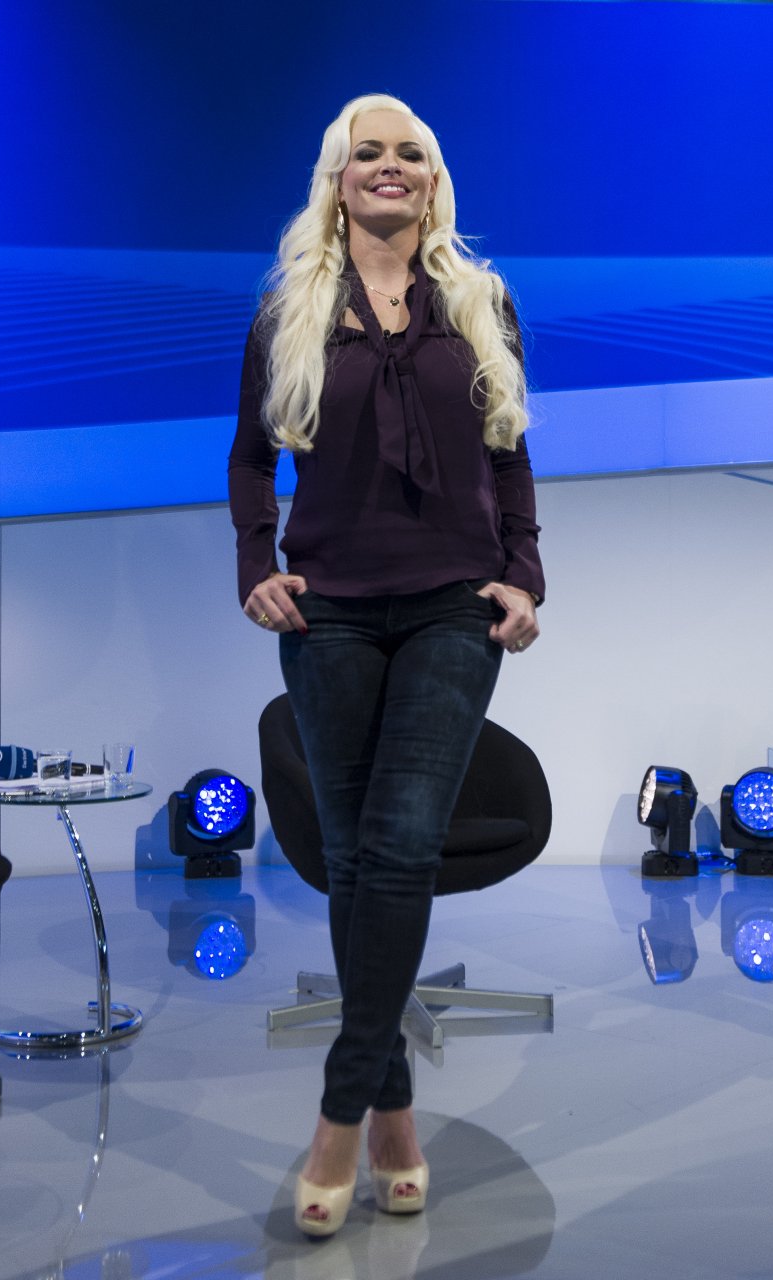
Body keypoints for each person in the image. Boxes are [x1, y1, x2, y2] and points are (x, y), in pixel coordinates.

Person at [228, 93, 545, 1238]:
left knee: (402, 842)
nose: (389, 166)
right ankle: (396, 1113)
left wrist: (524, 572)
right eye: (368, 153)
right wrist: (255, 563)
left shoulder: (481, 301)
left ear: (433, 178)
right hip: (332, 614)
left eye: (410, 153)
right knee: (358, 859)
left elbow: (508, 453)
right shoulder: (290, 310)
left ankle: (336, 1117)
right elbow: (251, 458)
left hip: (454, 603)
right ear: (338, 176)